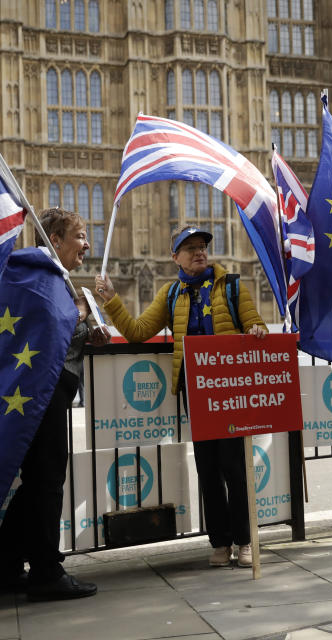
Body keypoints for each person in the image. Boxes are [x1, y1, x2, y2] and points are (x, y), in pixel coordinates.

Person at [94, 224, 268, 568]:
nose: (199, 252)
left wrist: (257, 330)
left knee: (235, 467)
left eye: (202, 246)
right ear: (176, 257)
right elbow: (138, 331)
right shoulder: (171, 294)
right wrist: (112, 300)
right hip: (197, 390)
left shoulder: (232, 286)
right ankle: (220, 543)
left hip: (231, 389)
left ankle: (246, 541)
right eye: (190, 248)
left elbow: (253, 324)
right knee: (208, 469)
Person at [0, 207, 110, 601]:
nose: (87, 244)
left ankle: (3, 571)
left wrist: (90, 323)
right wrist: (85, 317)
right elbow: (49, 333)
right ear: (54, 240)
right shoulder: (42, 276)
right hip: (43, 391)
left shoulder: (51, 277)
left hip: (48, 390)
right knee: (47, 484)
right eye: (80, 235)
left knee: (38, 484)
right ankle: (46, 572)